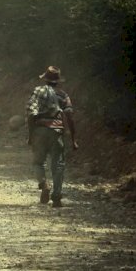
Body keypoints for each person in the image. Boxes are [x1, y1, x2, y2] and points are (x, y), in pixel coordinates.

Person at [25, 66, 78, 207]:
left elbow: (31, 114)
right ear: (58, 81)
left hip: (40, 131)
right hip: (56, 132)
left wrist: (30, 135)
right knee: (58, 165)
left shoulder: (37, 91)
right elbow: (69, 116)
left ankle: (44, 184)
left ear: (45, 79)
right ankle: (56, 197)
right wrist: (73, 139)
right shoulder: (63, 95)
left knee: (38, 162)